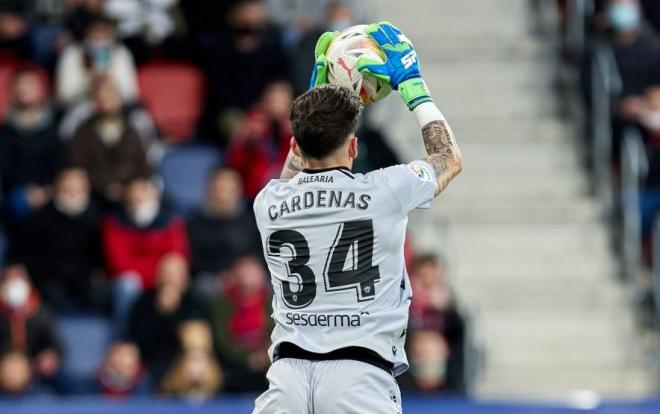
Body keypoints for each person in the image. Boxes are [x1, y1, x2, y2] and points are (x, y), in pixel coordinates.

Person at [251, 22, 462, 413]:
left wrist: (317, 95)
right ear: (354, 147)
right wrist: (413, 86)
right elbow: (448, 159)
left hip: (286, 380)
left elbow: (294, 168)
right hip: (359, 377)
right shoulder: (385, 192)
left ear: (295, 143)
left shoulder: (268, 202)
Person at [101, 177, 189, 329]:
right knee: (127, 284)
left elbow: (176, 259)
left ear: (156, 197)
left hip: (165, 284)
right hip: (135, 285)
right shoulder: (114, 224)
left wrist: (166, 280)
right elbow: (120, 265)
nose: (140, 201)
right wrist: (159, 274)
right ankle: (125, 338)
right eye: (135, 198)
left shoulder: (172, 223)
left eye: (144, 196)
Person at [16, 168, 105, 312]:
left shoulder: (96, 218)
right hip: (50, 275)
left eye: (78, 189)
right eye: (68, 189)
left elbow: (99, 255)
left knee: (97, 297)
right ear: (58, 189)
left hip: (84, 276)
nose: (73, 194)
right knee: (52, 298)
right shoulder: (40, 217)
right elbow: (26, 253)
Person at [67, 77, 150, 205]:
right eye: (102, 99)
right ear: (95, 102)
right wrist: (104, 186)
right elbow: (77, 166)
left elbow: (142, 166)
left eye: (111, 98)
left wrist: (128, 187)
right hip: (92, 193)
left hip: (128, 193)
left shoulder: (131, 130)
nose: (107, 103)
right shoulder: (83, 132)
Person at [127, 253, 207, 384]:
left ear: (185, 277)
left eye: (176, 273)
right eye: (166, 273)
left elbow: (198, 340)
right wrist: (161, 312)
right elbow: (138, 339)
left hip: (187, 364)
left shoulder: (196, 302)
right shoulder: (144, 302)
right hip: (151, 363)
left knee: (195, 334)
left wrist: (173, 313)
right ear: (158, 276)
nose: (170, 278)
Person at [0, 67, 61, 224]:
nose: (24, 90)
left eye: (29, 85)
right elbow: (5, 167)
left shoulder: (53, 126)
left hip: (50, 189)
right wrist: (28, 191)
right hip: (17, 192)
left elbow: (59, 162)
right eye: (20, 86)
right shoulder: (6, 131)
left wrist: (47, 189)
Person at [210, 256, 271, 392]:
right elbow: (222, 341)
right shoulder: (222, 305)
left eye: (252, 275)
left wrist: (264, 356)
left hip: (268, 364)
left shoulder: (274, 304)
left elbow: (279, 335)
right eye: (242, 275)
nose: (247, 281)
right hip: (233, 366)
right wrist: (247, 358)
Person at [187, 168, 261, 278]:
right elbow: (194, 263)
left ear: (239, 190)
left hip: (249, 278)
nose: (223, 193)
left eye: (229, 188)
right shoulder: (195, 224)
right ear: (209, 190)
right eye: (219, 187)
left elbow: (262, 255)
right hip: (212, 278)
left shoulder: (253, 220)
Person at [55, 13, 138, 109]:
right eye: (96, 31)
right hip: (80, 107)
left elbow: (130, 94)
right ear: (86, 33)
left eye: (104, 32)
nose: (100, 37)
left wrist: (109, 87)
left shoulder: (121, 53)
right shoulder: (72, 53)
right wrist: (90, 84)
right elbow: (64, 95)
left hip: (116, 107)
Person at [0, 265, 62, 391]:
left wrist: (50, 356)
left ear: (27, 283)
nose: (14, 284)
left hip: (35, 375)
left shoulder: (42, 313)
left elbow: (57, 347)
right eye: (9, 279)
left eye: (18, 279)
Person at [227, 81, 294, 199]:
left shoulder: (296, 128)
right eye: (273, 100)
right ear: (264, 102)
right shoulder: (253, 125)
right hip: (253, 194)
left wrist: (290, 134)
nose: (276, 105)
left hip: (288, 193)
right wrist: (248, 140)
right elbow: (234, 163)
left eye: (281, 101)